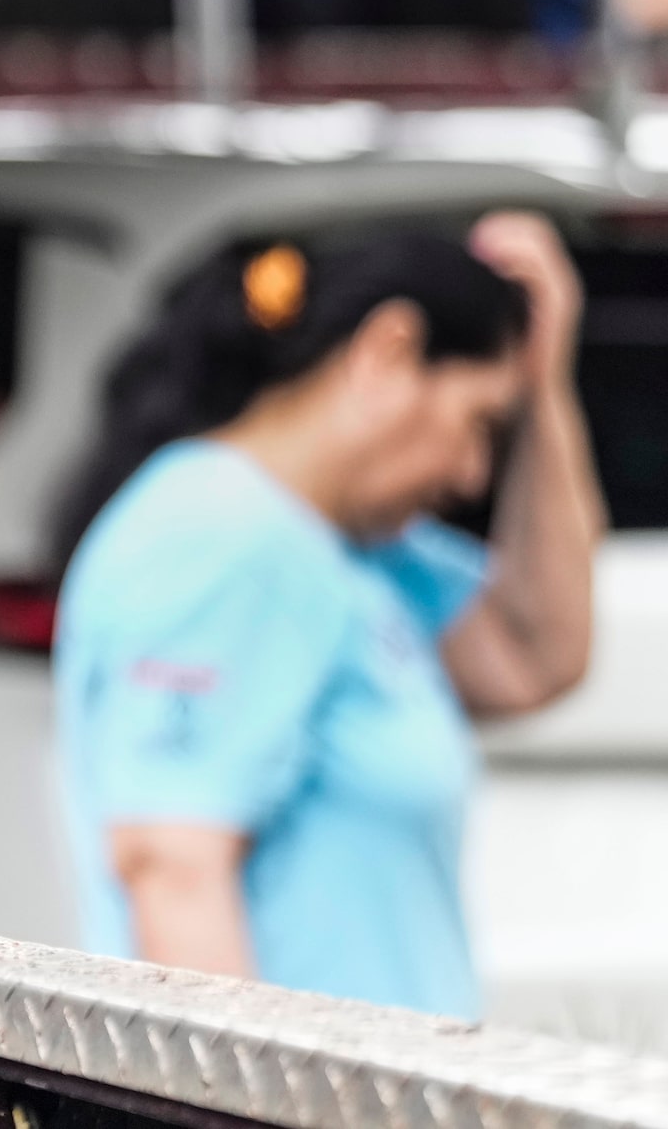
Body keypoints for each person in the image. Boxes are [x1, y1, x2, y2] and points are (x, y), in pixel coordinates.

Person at [52, 213, 604, 1017]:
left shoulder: (360, 550)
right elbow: (173, 876)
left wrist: (543, 380)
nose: (470, 472)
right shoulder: (214, 534)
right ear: (389, 352)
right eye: (479, 423)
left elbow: (537, 656)